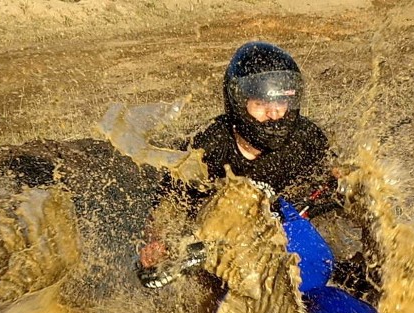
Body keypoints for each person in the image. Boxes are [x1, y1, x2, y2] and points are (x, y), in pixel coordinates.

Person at [137, 41, 367, 294]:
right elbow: (168, 204)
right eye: (261, 105)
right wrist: (156, 244)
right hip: (220, 244)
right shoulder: (206, 147)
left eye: (281, 103)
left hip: (294, 230)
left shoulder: (306, 138)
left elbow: (343, 180)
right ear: (238, 102)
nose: (274, 114)